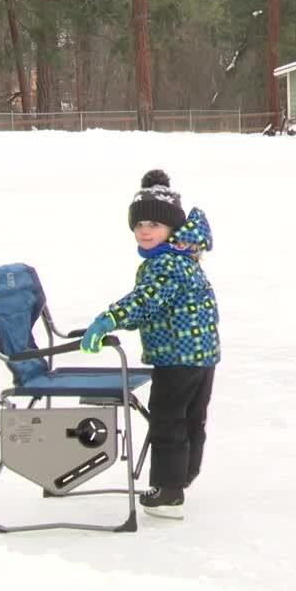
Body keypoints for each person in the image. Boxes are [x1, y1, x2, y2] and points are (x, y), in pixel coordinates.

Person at [81, 170, 219, 520]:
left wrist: (110, 318)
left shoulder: (165, 265)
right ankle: (183, 475)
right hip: (201, 355)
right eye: (139, 223)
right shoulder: (184, 256)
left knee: (167, 420)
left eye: (155, 224)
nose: (145, 230)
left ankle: (169, 491)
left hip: (177, 358)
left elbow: (146, 301)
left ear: (171, 228)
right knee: (190, 419)